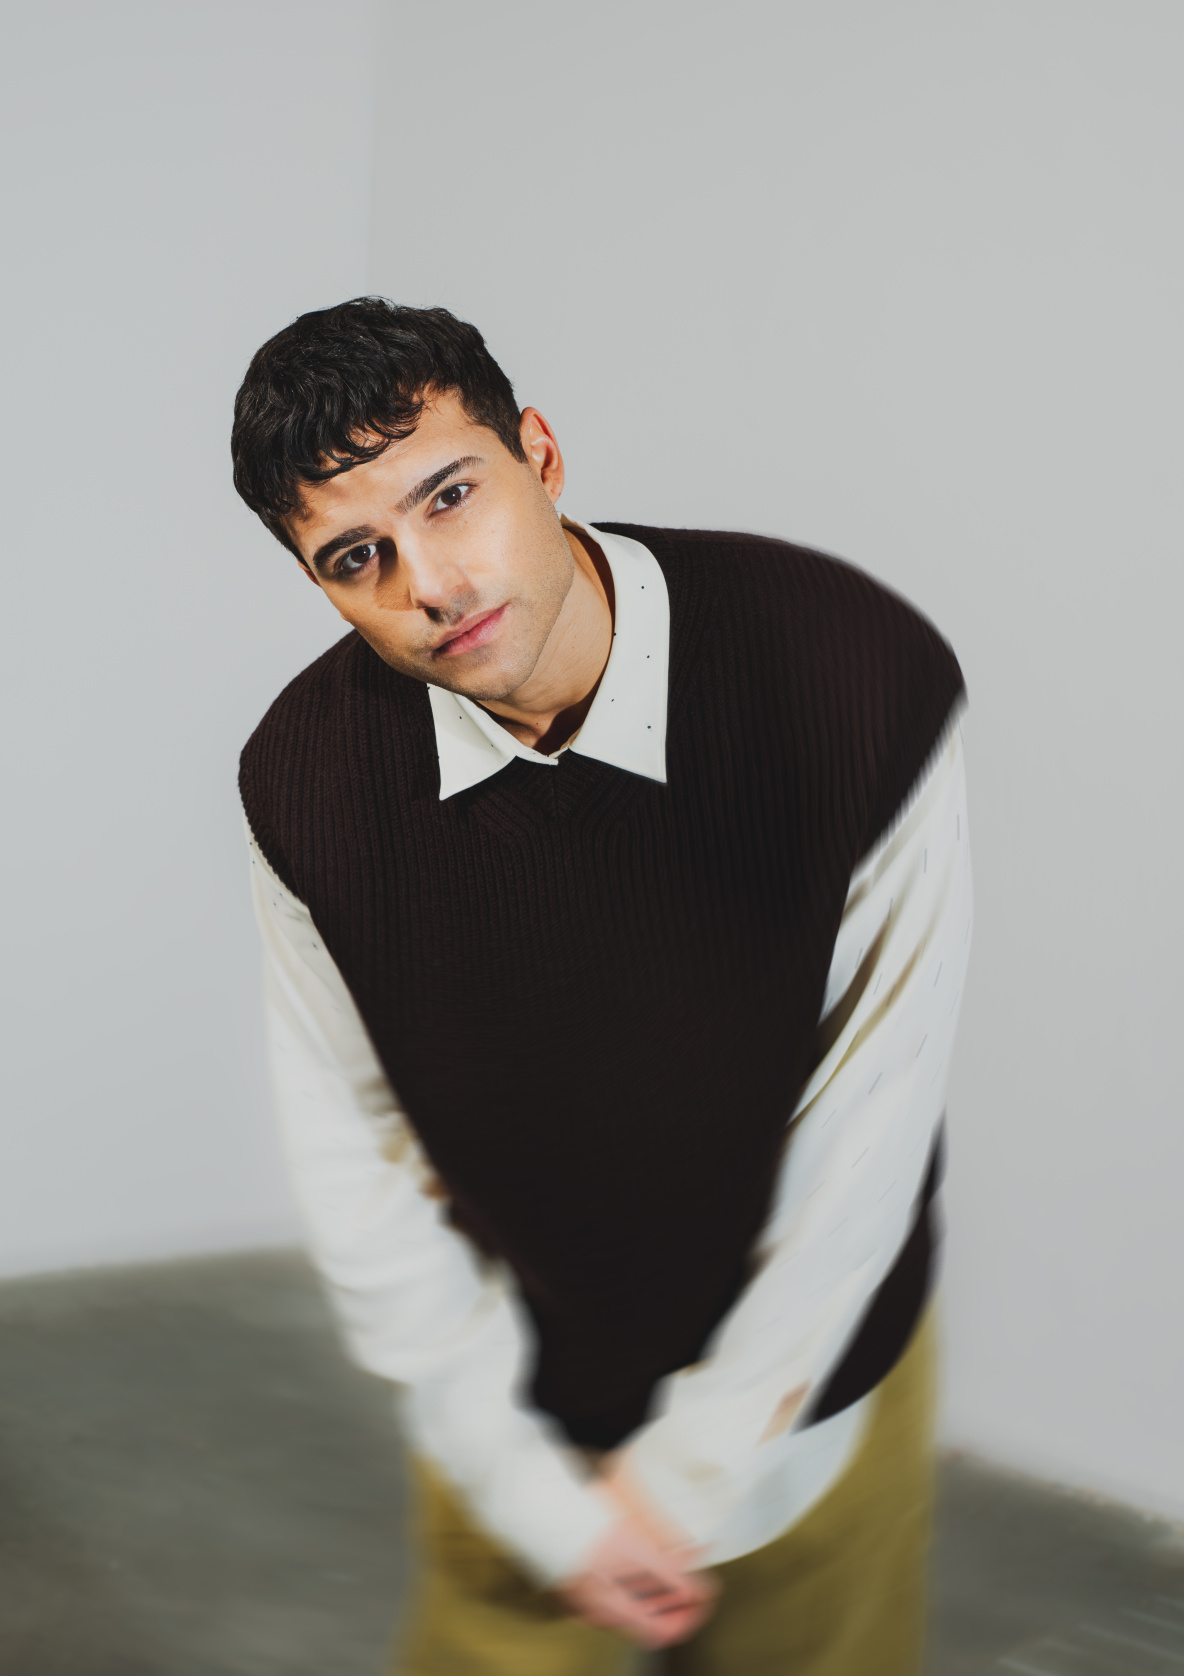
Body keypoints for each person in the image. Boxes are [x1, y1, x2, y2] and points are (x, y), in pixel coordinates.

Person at [231, 297, 971, 1674]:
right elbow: (352, 1140)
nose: (430, 585)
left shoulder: (844, 669)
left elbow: (872, 1115)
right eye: (356, 558)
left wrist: (693, 1471)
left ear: (542, 454)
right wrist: (521, 1485)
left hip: (813, 1390)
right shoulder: (307, 782)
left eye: (451, 496)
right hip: (515, 1396)